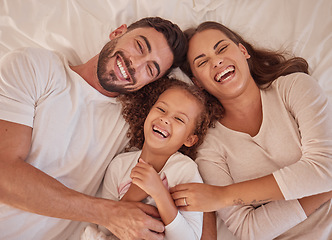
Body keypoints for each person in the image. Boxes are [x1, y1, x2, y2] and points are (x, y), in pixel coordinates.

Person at [0, 17, 187, 240]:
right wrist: (108, 214)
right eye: (139, 46)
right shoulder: (35, 66)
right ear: (118, 32)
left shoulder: (136, 124)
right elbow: (4, 171)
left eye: (150, 69)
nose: (134, 65)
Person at [170, 21, 332, 240]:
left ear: (243, 51)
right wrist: (323, 189)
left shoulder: (295, 87)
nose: (217, 61)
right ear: (198, 83)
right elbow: (249, 230)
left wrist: (223, 195)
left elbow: (325, 167)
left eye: (222, 48)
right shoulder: (209, 146)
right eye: (203, 61)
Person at [81, 77, 212, 240]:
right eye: (161, 109)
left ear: (189, 139)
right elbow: (105, 226)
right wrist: (132, 195)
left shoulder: (184, 170)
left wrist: (159, 193)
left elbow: (188, 238)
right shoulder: (119, 166)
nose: (165, 119)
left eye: (179, 119)